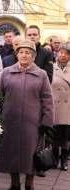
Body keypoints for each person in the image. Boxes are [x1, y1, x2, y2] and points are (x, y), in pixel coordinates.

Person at [0, 39, 54, 190]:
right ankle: (14, 184)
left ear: (33, 56)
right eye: (21, 52)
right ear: (17, 55)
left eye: (28, 53)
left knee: (31, 153)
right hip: (9, 120)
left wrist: (47, 121)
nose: (24, 55)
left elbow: (48, 100)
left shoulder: (41, 75)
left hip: (33, 122)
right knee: (11, 152)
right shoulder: (6, 72)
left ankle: (29, 185)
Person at [25, 25, 54, 177]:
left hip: (38, 96)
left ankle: (40, 165)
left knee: (39, 137)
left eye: (35, 34)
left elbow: (49, 76)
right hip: (22, 96)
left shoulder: (46, 53)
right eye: (29, 34)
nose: (32, 36)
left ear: (39, 36)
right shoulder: (21, 52)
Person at [51, 42, 70, 171]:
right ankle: (53, 159)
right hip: (54, 106)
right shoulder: (51, 68)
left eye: (66, 53)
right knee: (54, 134)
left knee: (66, 136)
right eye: (61, 52)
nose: (63, 55)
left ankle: (64, 160)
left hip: (68, 107)